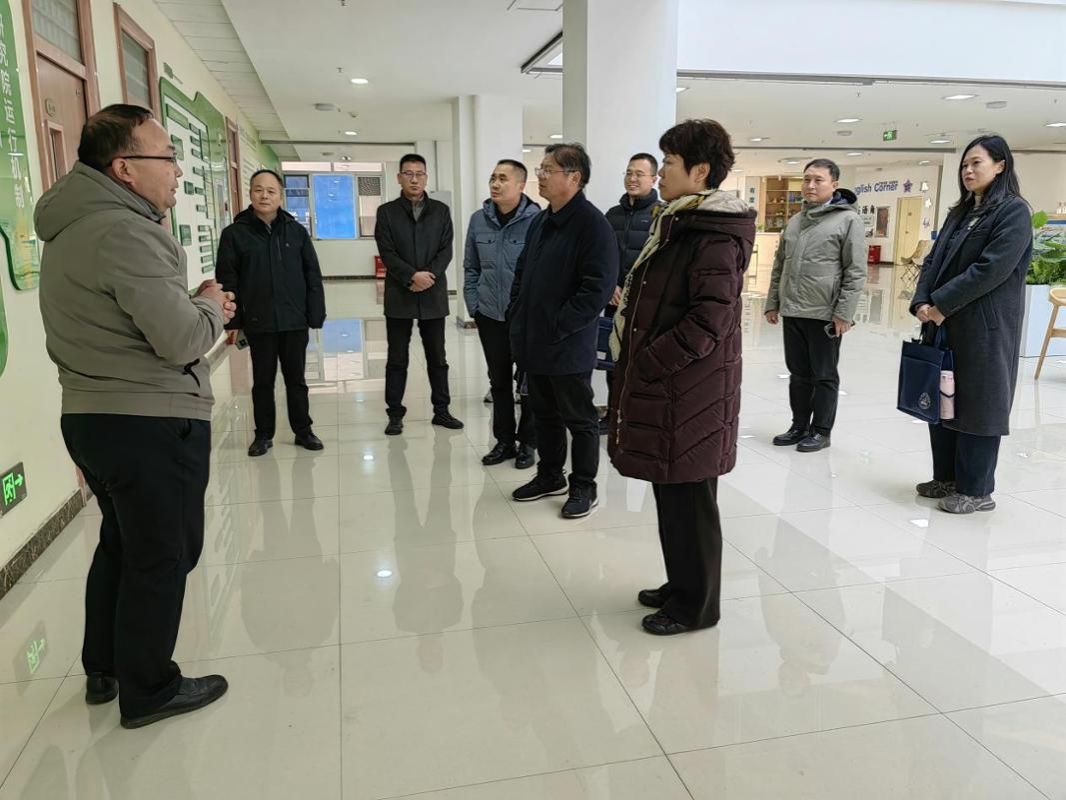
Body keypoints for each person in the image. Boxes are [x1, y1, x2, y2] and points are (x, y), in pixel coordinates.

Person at [36, 104, 233, 728]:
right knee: (164, 554)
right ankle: (149, 688)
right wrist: (212, 307)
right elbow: (181, 340)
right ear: (125, 168)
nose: (177, 171)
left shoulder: (72, 223)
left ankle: (106, 666)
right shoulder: (126, 231)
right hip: (148, 419)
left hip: (92, 415)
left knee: (123, 543)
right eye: (166, 157)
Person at [608, 118, 756, 636]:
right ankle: (681, 586)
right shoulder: (681, 223)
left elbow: (707, 322)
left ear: (699, 171)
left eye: (669, 163)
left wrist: (649, 361)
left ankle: (697, 607)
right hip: (676, 388)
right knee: (673, 495)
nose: (661, 172)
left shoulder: (713, 235)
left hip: (691, 391)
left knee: (691, 503)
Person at [910, 135, 1032, 514]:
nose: (968, 170)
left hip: (983, 328)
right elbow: (933, 261)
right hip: (944, 324)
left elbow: (990, 269)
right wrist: (922, 301)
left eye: (976, 162)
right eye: (965, 164)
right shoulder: (959, 213)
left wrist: (942, 305)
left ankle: (977, 489)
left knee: (979, 405)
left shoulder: (1013, 212)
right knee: (942, 400)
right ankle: (946, 477)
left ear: (1000, 165)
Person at [508, 143, 618, 519]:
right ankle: (550, 475)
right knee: (543, 413)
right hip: (535, 338)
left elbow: (597, 288)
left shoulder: (593, 225)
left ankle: (584, 485)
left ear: (574, 177)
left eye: (547, 170)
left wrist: (559, 324)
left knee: (579, 418)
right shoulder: (541, 220)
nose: (539, 176)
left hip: (567, 342)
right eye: (540, 169)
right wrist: (517, 312)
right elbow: (523, 272)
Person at [216, 169, 326, 457]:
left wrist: (315, 314)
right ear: (250, 193)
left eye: (270, 191)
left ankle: (303, 430)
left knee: (296, 380)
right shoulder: (235, 234)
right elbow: (227, 280)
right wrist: (234, 321)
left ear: (280, 196)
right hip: (259, 321)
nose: (264, 196)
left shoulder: (296, 232)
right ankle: (263, 435)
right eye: (258, 190)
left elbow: (312, 274)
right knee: (263, 381)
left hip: (294, 320)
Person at [765, 158, 867, 452]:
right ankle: (799, 425)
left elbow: (855, 271)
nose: (810, 185)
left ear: (834, 185)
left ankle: (821, 431)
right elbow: (780, 265)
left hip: (824, 313)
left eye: (818, 180)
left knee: (824, 375)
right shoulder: (796, 221)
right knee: (798, 374)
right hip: (793, 310)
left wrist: (843, 313)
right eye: (807, 179)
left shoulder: (848, 221)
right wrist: (773, 302)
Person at [374, 154, 463, 435]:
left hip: (433, 294)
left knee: (437, 357)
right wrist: (411, 276)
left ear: (426, 177)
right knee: (397, 358)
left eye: (420, 174)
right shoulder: (386, 212)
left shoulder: (440, 211)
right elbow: (386, 251)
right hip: (400, 294)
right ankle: (395, 414)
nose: (414, 179)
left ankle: (442, 410)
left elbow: (446, 249)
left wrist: (428, 276)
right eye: (408, 173)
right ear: (399, 177)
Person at [464, 159, 540, 470]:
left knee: (529, 384)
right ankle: (504, 441)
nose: (495, 184)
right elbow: (471, 267)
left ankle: (528, 443)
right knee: (498, 383)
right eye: (493, 178)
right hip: (489, 316)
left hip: (524, 319)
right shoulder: (478, 220)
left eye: (503, 179)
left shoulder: (537, 221)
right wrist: (474, 306)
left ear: (520, 185)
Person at [602, 154, 664, 433]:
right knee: (613, 361)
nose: (632, 178)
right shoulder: (612, 215)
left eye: (639, 173)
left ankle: (638, 420)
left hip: (646, 305)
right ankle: (612, 415)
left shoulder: (662, 215)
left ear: (654, 179)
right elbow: (602, 257)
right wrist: (609, 287)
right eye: (629, 173)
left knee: (643, 363)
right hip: (614, 302)